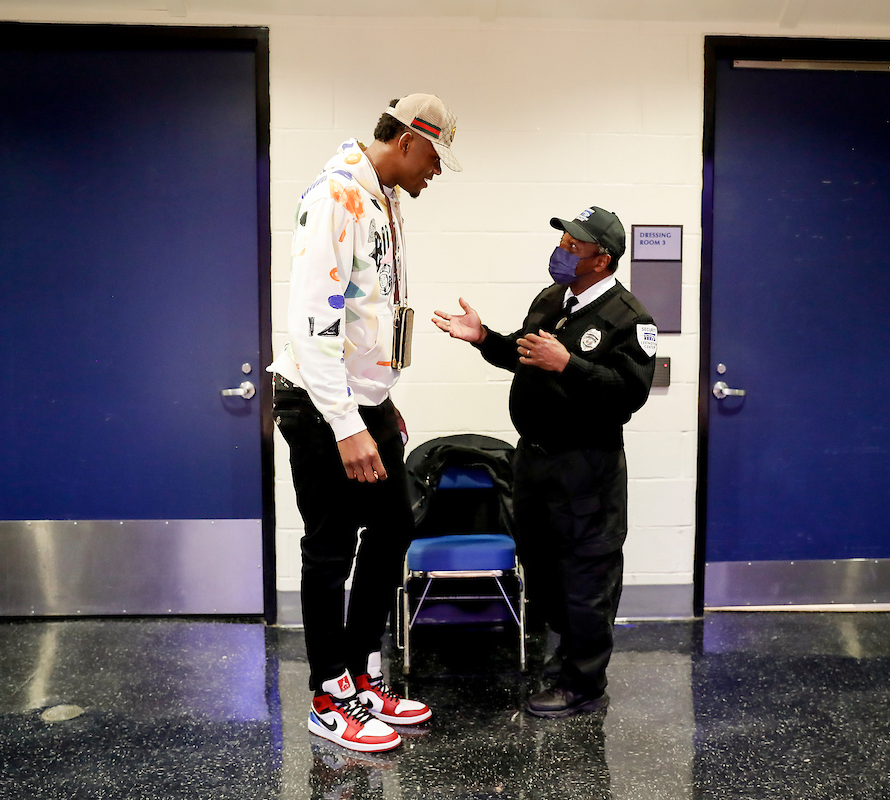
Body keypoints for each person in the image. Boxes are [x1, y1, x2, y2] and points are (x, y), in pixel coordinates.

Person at [269, 94, 461, 752]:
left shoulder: (384, 197)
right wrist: (348, 423)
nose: (437, 170)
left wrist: (379, 396)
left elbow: (366, 308)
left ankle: (356, 673)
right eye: (435, 156)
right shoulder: (338, 198)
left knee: (393, 524)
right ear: (408, 140)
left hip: (361, 397)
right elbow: (313, 323)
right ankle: (328, 694)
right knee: (328, 546)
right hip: (322, 401)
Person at [432, 206, 657, 718]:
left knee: (586, 573)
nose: (562, 249)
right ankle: (563, 661)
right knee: (546, 568)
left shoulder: (630, 319)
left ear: (602, 260)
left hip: (585, 469)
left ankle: (584, 682)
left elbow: (627, 395)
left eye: (574, 244)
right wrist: (485, 338)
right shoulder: (553, 297)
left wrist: (569, 364)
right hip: (533, 462)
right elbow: (524, 353)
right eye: (563, 240)